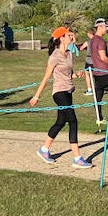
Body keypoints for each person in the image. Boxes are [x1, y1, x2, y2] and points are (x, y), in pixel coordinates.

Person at [29, 26, 87, 168]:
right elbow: (46, 78)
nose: (72, 38)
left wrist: (76, 75)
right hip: (59, 93)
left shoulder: (69, 53)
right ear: (61, 38)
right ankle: (77, 158)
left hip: (68, 91)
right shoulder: (54, 57)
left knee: (61, 122)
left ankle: (44, 150)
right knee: (73, 121)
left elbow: (67, 74)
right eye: (69, 35)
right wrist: (36, 96)